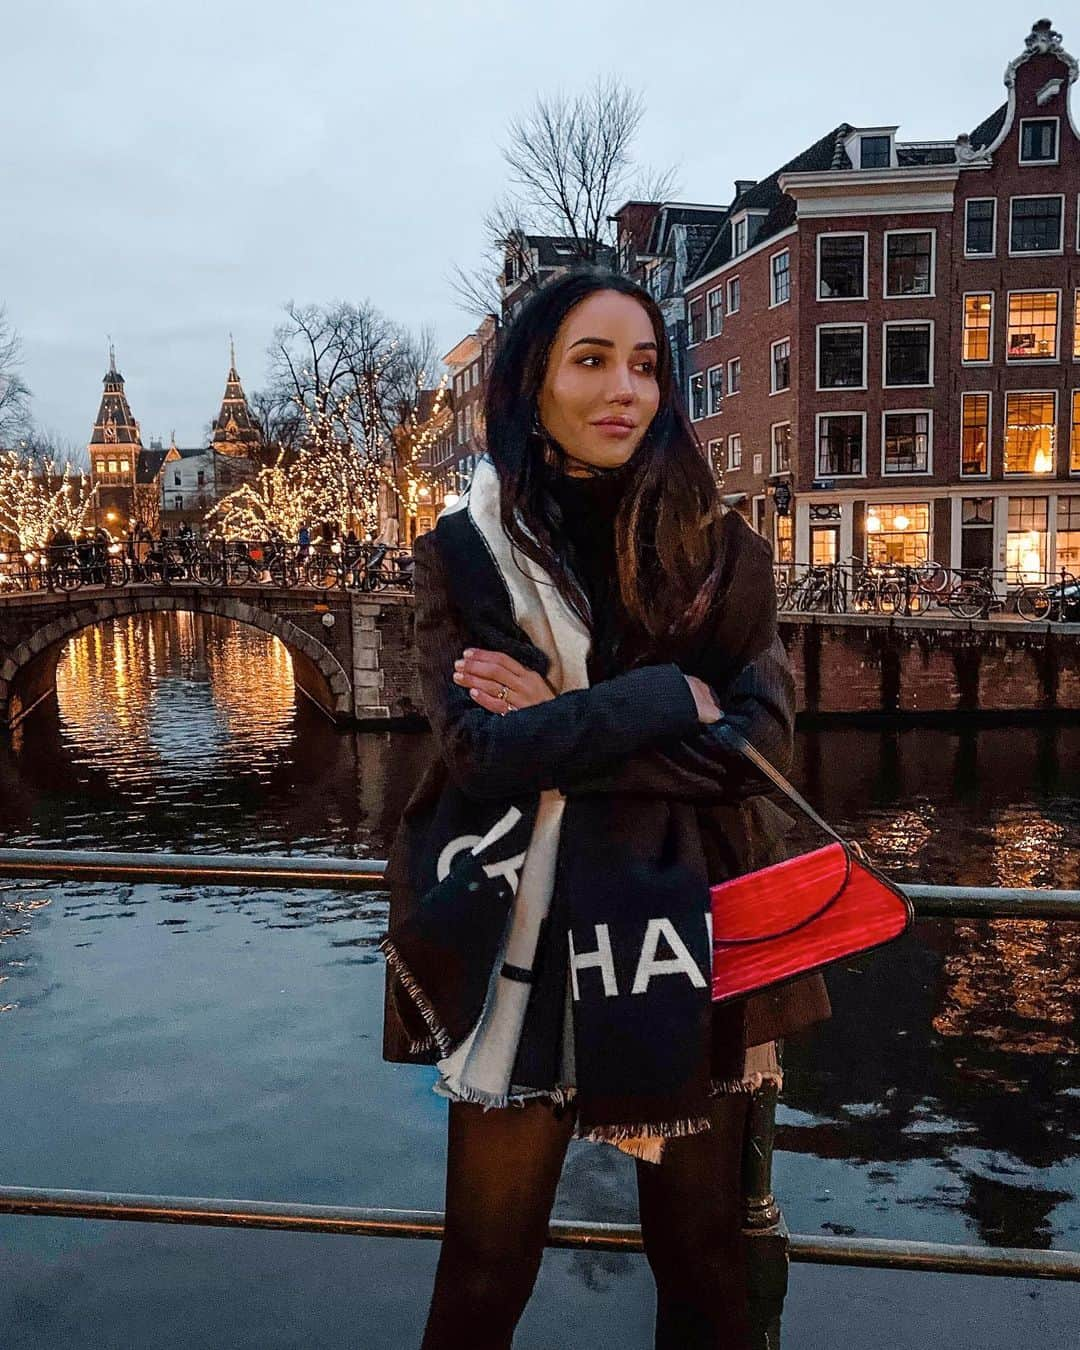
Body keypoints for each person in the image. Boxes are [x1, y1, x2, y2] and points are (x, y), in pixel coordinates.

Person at [379, 268, 830, 1349]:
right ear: (531, 385)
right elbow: (485, 753)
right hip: (518, 929)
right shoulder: (462, 560)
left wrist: (572, 722)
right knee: (484, 1269)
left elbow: (755, 751)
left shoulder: (726, 558)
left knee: (704, 1260)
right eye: (591, 360)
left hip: (686, 930)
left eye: (644, 364)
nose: (625, 387)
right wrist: (664, 698)